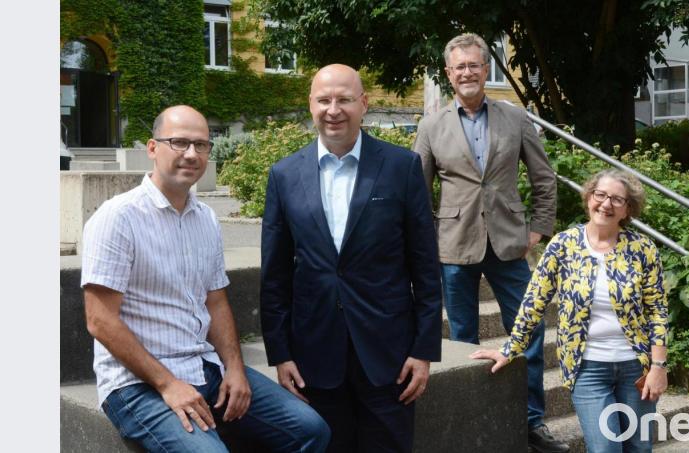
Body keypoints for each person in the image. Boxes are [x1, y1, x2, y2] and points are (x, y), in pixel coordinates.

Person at [81, 105, 330, 452]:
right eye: (179, 142)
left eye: (201, 145)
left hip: (203, 365)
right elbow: (100, 320)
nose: (191, 154)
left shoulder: (206, 218)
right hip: (137, 384)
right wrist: (168, 384)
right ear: (152, 148)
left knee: (310, 429)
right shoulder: (118, 217)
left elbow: (215, 300)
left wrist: (235, 369)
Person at [260, 64, 442, 453]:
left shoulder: (402, 167)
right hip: (313, 356)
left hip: (389, 356)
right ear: (310, 104)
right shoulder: (284, 175)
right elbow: (275, 275)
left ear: (364, 103)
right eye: (323, 100)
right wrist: (280, 354)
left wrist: (424, 350)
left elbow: (425, 265)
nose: (333, 110)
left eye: (344, 99)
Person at [413, 33, 566, 452]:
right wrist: (425, 241)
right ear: (449, 74)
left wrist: (539, 228)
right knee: (463, 340)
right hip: (454, 245)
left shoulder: (515, 118)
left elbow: (544, 177)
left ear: (485, 70)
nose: (467, 72)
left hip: (509, 242)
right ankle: (473, 421)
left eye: (474, 65)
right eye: (459, 67)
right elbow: (415, 191)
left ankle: (532, 422)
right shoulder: (431, 126)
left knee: (530, 329)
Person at [470, 169, 669, 453]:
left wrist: (659, 367)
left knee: (639, 446)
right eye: (600, 195)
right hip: (587, 367)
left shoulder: (642, 249)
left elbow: (657, 311)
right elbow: (534, 301)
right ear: (589, 197)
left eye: (617, 199)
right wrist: (510, 348)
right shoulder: (564, 245)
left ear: (628, 209)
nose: (606, 204)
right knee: (605, 448)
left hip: (636, 367)